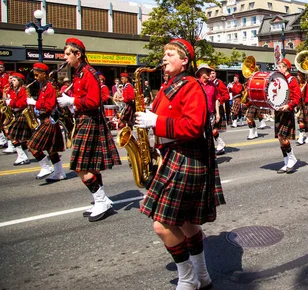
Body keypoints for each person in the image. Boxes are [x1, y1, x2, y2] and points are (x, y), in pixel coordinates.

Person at [135, 38, 225, 290]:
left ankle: (187, 278)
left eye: (170, 54)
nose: (164, 58)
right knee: (185, 222)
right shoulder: (169, 86)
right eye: (164, 54)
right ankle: (202, 275)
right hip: (172, 155)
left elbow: (194, 126)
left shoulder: (191, 86)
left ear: (184, 60)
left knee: (162, 224)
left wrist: (156, 122)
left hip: (186, 157)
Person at [57, 37, 121, 222]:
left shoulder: (89, 73)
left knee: (79, 166)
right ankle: (99, 200)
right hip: (84, 119)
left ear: (78, 54)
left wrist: (72, 101)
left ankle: (102, 200)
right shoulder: (79, 73)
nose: (65, 57)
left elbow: (94, 101)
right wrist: (71, 105)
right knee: (91, 166)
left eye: (68, 53)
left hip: (90, 121)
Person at [26, 63, 67, 180]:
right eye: (34, 75)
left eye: (37, 75)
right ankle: (59, 173)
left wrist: (35, 104)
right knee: (51, 150)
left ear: (44, 74)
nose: (35, 78)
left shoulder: (50, 87)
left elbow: (49, 106)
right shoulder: (43, 87)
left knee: (32, 145)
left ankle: (46, 167)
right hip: (45, 120)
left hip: (49, 120)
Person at [275, 58, 301, 174]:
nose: (278, 68)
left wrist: (289, 105)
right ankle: (286, 162)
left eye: (280, 66)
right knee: (280, 138)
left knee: (283, 137)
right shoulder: (278, 79)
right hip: (278, 110)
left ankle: (292, 158)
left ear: (286, 68)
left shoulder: (292, 80)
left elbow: (297, 98)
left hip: (287, 110)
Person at [197, 64, 225, 157]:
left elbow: (216, 99)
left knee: (209, 134)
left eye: (210, 71)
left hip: (210, 113)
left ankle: (210, 154)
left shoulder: (212, 85)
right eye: (207, 71)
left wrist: (217, 113)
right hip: (198, 114)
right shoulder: (196, 84)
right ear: (201, 72)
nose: (209, 73)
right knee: (199, 135)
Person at [5, 72, 33, 165]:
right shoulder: (14, 90)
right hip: (16, 114)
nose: (12, 82)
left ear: (19, 81)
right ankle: (24, 157)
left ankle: (22, 156)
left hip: (22, 114)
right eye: (12, 80)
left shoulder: (23, 90)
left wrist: (11, 102)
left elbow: (23, 103)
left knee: (12, 135)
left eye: (14, 80)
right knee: (22, 138)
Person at [210, 68, 229, 153]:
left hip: (217, 108)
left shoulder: (219, 83)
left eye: (213, 73)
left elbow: (227, 96)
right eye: (210, 73)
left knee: (213, 128)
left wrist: (219, 100)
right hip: (210, 108)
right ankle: (220, 145)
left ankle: (220, 143)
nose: (212, 75)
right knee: (210, 129)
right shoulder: (208, 83)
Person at [296, 71, 308, 145]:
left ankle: (301, 138)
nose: (297, 77)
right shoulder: (298, 85)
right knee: (304, 121)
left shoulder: (307, 85)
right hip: (300, 104)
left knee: (302, 120)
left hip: (305, 105)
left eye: (299, 75)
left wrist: (302, 102)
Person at [0, 61, 11, 149]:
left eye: (1, 67)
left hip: (5, 102)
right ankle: (2, 139)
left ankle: (9, 141)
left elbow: (6, 88)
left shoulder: (6, 77)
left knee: (6, 122)